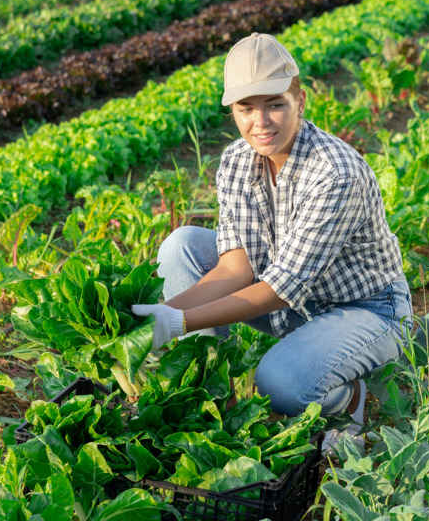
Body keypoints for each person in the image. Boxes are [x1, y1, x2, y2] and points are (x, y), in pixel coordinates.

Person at [131, 32, 413, 446]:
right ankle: (213, 389)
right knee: (182, 246)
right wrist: (157, 316)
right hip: (289, 300)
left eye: (275, 104)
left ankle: (346, 397)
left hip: (366, 308)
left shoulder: (334, 173)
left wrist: (177, 322)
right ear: (233, 111)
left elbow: (281, 288)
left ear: (300, 101)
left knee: (278, 384)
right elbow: (235, 269)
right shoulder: (236, 160)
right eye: (246, 108)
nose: (260, 122)